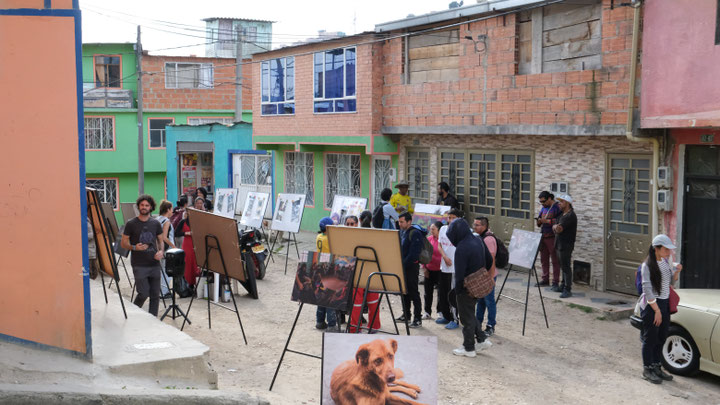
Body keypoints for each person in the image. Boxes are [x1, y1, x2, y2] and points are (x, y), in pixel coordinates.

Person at [639, 234, 682, 384]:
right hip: (652, 306)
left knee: (662, 336)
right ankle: (647, 369)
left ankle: (657, 366)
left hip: (664, 304)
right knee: (650, 338)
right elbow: (647, 290)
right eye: (666, 249)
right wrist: (656, 310)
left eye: (669, 249)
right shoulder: (647, 266)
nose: (668, 252)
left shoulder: (664, 262)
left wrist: (676, 271)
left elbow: (669, 282)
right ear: (656, 249)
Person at [446, 218, 492, 357]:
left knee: (466, 318)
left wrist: (458, 290)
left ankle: (468, 348)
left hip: (466, 287)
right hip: (479, 284)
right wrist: (479, 275)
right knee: (470, 313)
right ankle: (482, 339)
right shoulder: (478, 240)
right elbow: (489, 260)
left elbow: (459, 274)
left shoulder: (461, 248)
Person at [121, 195, 165, 316]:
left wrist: (161, 252)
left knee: (155, 295)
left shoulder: (155, 223)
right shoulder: (131, 223)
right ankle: (133, 314)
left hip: (154, 264)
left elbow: (161, 241)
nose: (144, 207)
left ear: (151, 207)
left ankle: (153, 319)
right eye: (142, 205)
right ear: (138, 206)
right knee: (143, 293)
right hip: (139, 265)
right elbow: (123, 243)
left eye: (147, 205)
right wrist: (135, 247)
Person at [349, 214, 381, 333]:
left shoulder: (354, 236)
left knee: (356, 303)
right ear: (372, 220)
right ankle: (374, 326)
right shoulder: (377, 235)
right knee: (373, 302)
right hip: (373, 273)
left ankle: (354, 328)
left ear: (359, 221)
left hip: (358, 272)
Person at [396, 212, 425, 328]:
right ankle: (406, 315)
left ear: (409, 221)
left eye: (402, 222)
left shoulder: (415, 233)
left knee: (413, 292)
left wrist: (402, 265)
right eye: (399, 221)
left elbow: (414, 254)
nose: (400, 224)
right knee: (404, 291)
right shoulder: (404, 232)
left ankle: (417, 318)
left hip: (411, 267)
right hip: (404, 267)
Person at [436, 208, 463, 329]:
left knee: (453, 294)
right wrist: (444, 257)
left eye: (453, 218)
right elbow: (440, 244)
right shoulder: (443, 229)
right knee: (443, 292)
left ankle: (455, 319)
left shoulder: (462, 231)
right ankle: (446, 316)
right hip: (444, 266)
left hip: (454, 268)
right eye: (449, 217)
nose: (451, 220)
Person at [473, 217, 497, 337]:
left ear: (484, 226)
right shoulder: (479, 237)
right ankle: (477, 324)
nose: (474, 226)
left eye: (477, 225)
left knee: (489, 301)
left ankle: (491, 326)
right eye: (474, 224)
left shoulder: (488, 239)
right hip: (481, 275)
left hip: (488, 276)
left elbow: (492, 258)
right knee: (481, 301)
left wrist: (491, 276)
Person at [176, 197, 206, 291]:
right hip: (187, 245)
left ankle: (197, 284)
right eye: (190, 212)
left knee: (196, 264)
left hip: (197, 245)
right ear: (187, 212)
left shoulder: (199, 221)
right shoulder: (183, 221)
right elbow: (177, 233)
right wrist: (187, 233)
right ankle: (188, 284)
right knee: (188, 264)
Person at [316, 217, 339, 332]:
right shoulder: (329, 240)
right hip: (329, 268)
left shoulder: (319, 237)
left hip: (321, 267)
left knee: (322, 295)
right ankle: (332, 324)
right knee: (330, 297)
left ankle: (319, 321)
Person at [553, 194, 577, 298]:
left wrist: (555, 227)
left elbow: (559, 229)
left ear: (567, 203)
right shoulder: (562, 214)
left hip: (566, 245)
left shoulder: (570, 216)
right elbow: (556, 227)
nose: (559, 204)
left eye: (561, 202)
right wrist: (555, 226)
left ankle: (568, 288)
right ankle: (563, 285)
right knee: (562, 265)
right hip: (559, 244)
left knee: (566, 266)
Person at [536, 191, 561, 288]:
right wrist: (539, 221)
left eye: (544, 201)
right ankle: (545, 279)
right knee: (544, 259)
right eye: (541, 202)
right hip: (543, 236)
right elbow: (539, 220)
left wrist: (546, 221)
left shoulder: (557, 207)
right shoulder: (543, 208)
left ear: (550, 198)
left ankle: (555, 282)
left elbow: (559, 220)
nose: (542, 203)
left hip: (553, 236)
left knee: (555, 260)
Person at [422, 221, 444, 320]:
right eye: (430, 229)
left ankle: (440, 311)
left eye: (433, 229)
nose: (431, 231)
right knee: (428, 292)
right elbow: (423, 255)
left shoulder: (444, 241)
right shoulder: (428, 239)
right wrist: (424, 268)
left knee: (441, 292)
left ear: (439, 230)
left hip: (441, 270)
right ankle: (427, 312)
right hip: (429, 270)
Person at [157, 200, 177, 299]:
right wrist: (174, 246)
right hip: (166, 249)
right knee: (167, 271)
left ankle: (161, 291)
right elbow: (165, 237)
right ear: (168, 209)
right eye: (171, 209)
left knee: (161, 271)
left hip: (159, 249)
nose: (172, 211)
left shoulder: (157, 219)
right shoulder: (166, 221)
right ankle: (164, 292)